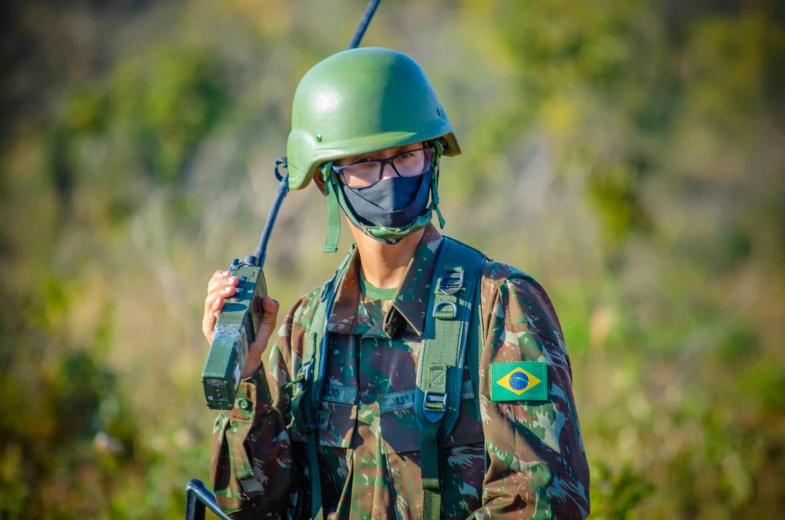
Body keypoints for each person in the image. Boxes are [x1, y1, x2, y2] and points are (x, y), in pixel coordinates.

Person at [202, 47, 590, 519]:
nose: (390, 178)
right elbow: (253, 506)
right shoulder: (305, 328)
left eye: (406, 155)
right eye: (366, 163)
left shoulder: (499, 305)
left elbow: (539, 502)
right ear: (328, 181)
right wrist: (245, 376)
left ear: (432, 158)